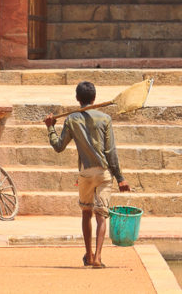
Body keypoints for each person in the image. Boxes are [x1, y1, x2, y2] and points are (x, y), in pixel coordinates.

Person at [44, 82, 130, 268]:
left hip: (85, 173)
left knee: (86, 213)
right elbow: (111, 152)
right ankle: (98, 257)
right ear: (94, 98)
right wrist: (121, 178)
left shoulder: (72, 119)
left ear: (77, 98)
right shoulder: (105, 118)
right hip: (104, 173)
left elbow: (58, 146)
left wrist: (50, 127)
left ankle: (89, 255)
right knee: (101, 216)